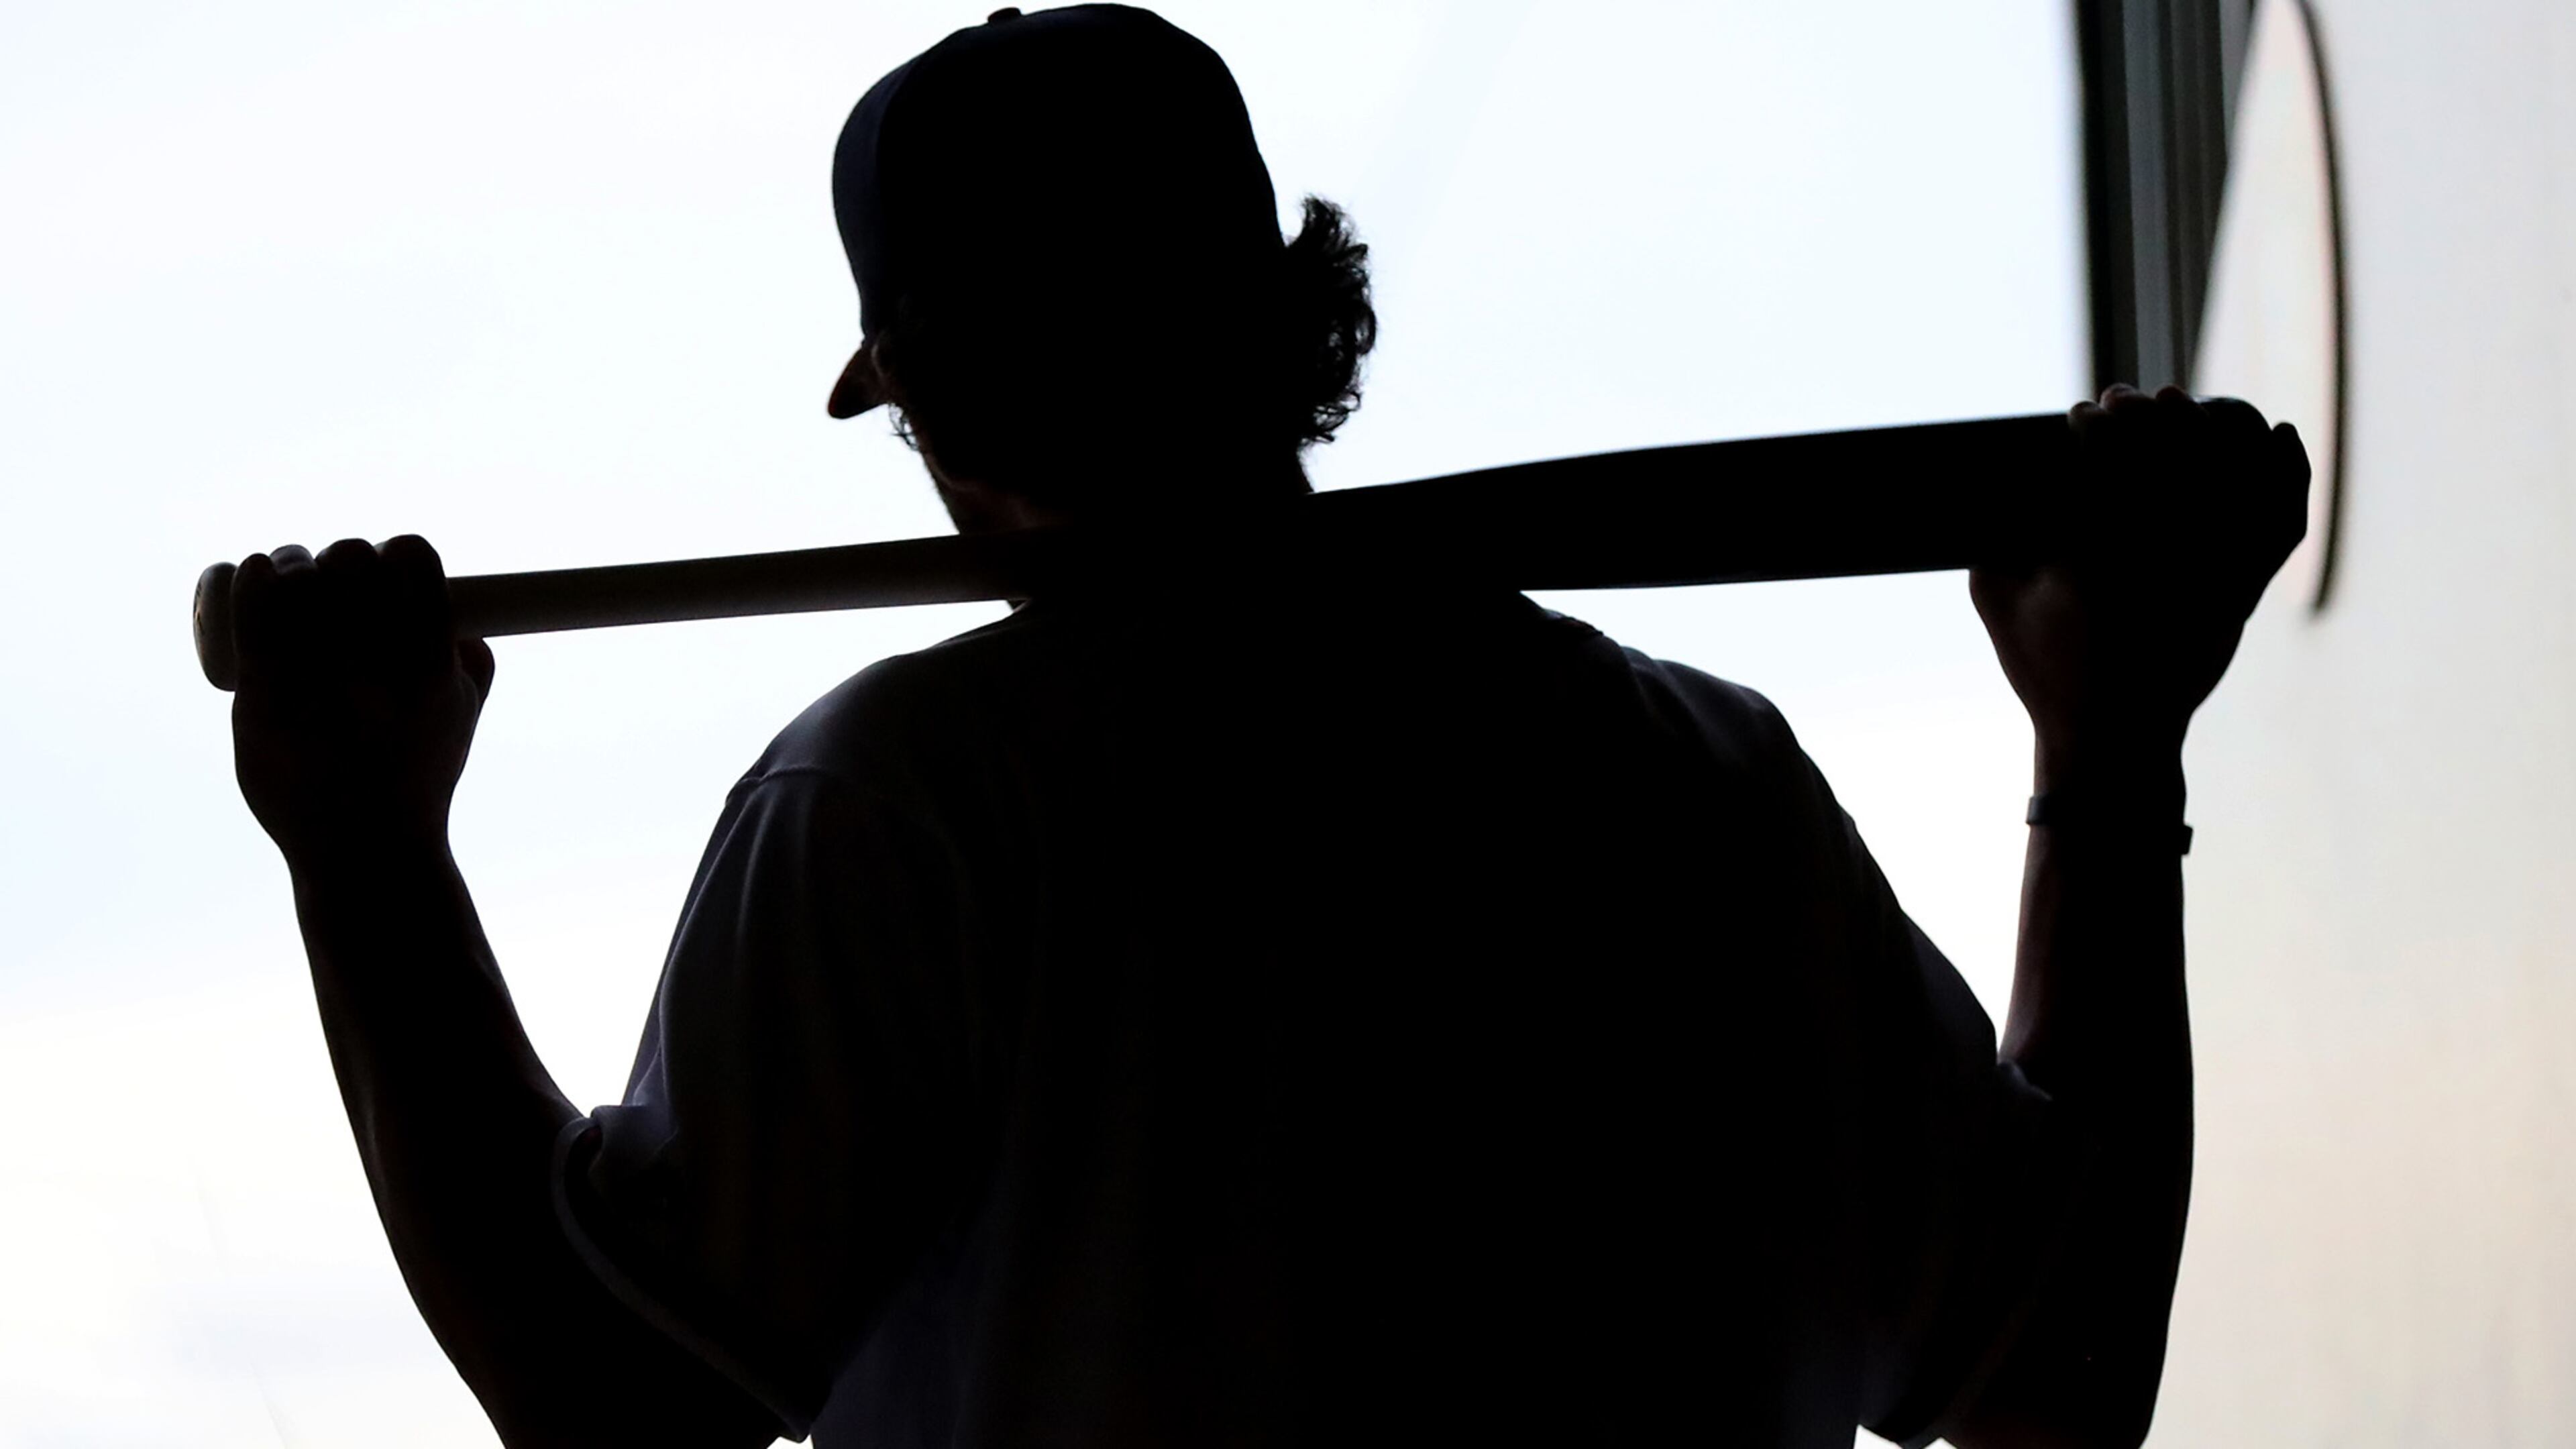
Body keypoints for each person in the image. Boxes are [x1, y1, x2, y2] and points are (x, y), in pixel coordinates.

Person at [222, 7, 2308, 1447]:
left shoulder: (905, 800)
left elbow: (615, 1404)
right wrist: (2110, 747)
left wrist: (363, 851)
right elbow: (2059, 1370)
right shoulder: (1685, 777)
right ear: (1285, 312)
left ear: (937, 413)